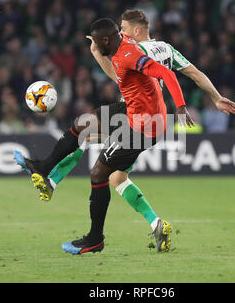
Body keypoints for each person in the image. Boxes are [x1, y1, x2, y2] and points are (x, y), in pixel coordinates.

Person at [21, 9, 235, 230]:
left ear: (136, 30)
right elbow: (195, 73)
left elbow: (117, 77)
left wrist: (97, 53)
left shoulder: (135, 51)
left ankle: (50, 181)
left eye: (123, 29)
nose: (120, 32)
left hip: (135, 116)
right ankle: (156, 224)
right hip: (152, 117)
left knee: (86, 138)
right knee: (117, 178)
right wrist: (217, 97)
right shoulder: (166, 49)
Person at [15, 18, 193, 254]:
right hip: (132, 109)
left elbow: (165, 74)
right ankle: (43, 169)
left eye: (99, 43)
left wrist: (180, 106)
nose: (96, 47)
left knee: (99, 173)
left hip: (144, 125)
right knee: (82, 125)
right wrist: (95, 43)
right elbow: (120, 37)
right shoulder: (120, 43)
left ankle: (95, 239)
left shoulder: (130, 56)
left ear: (107, 40)